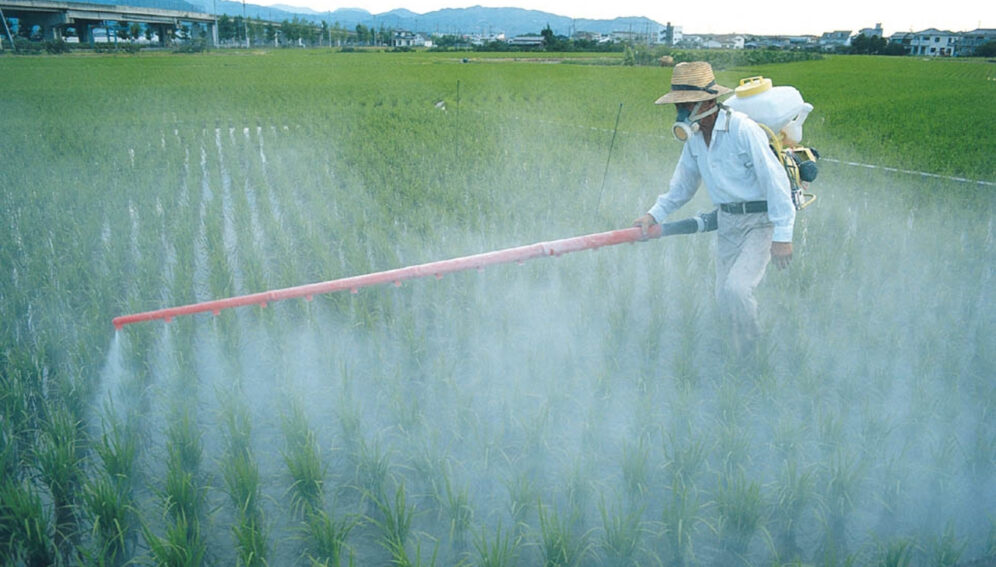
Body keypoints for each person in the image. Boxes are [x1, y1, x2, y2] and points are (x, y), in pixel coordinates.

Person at [633, 61, 795, 356]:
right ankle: (732, 347)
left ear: (708, 101)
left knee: (737, 289)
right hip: (728, 222)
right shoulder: (694, 139)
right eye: (678, 106)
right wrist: (653, 214)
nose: (681, 113)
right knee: (723, 295)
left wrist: (783, 236)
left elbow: (776, 183)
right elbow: (682, 187)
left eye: (687, 104)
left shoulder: (743, 130)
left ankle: (753, 349)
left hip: (761, 223)